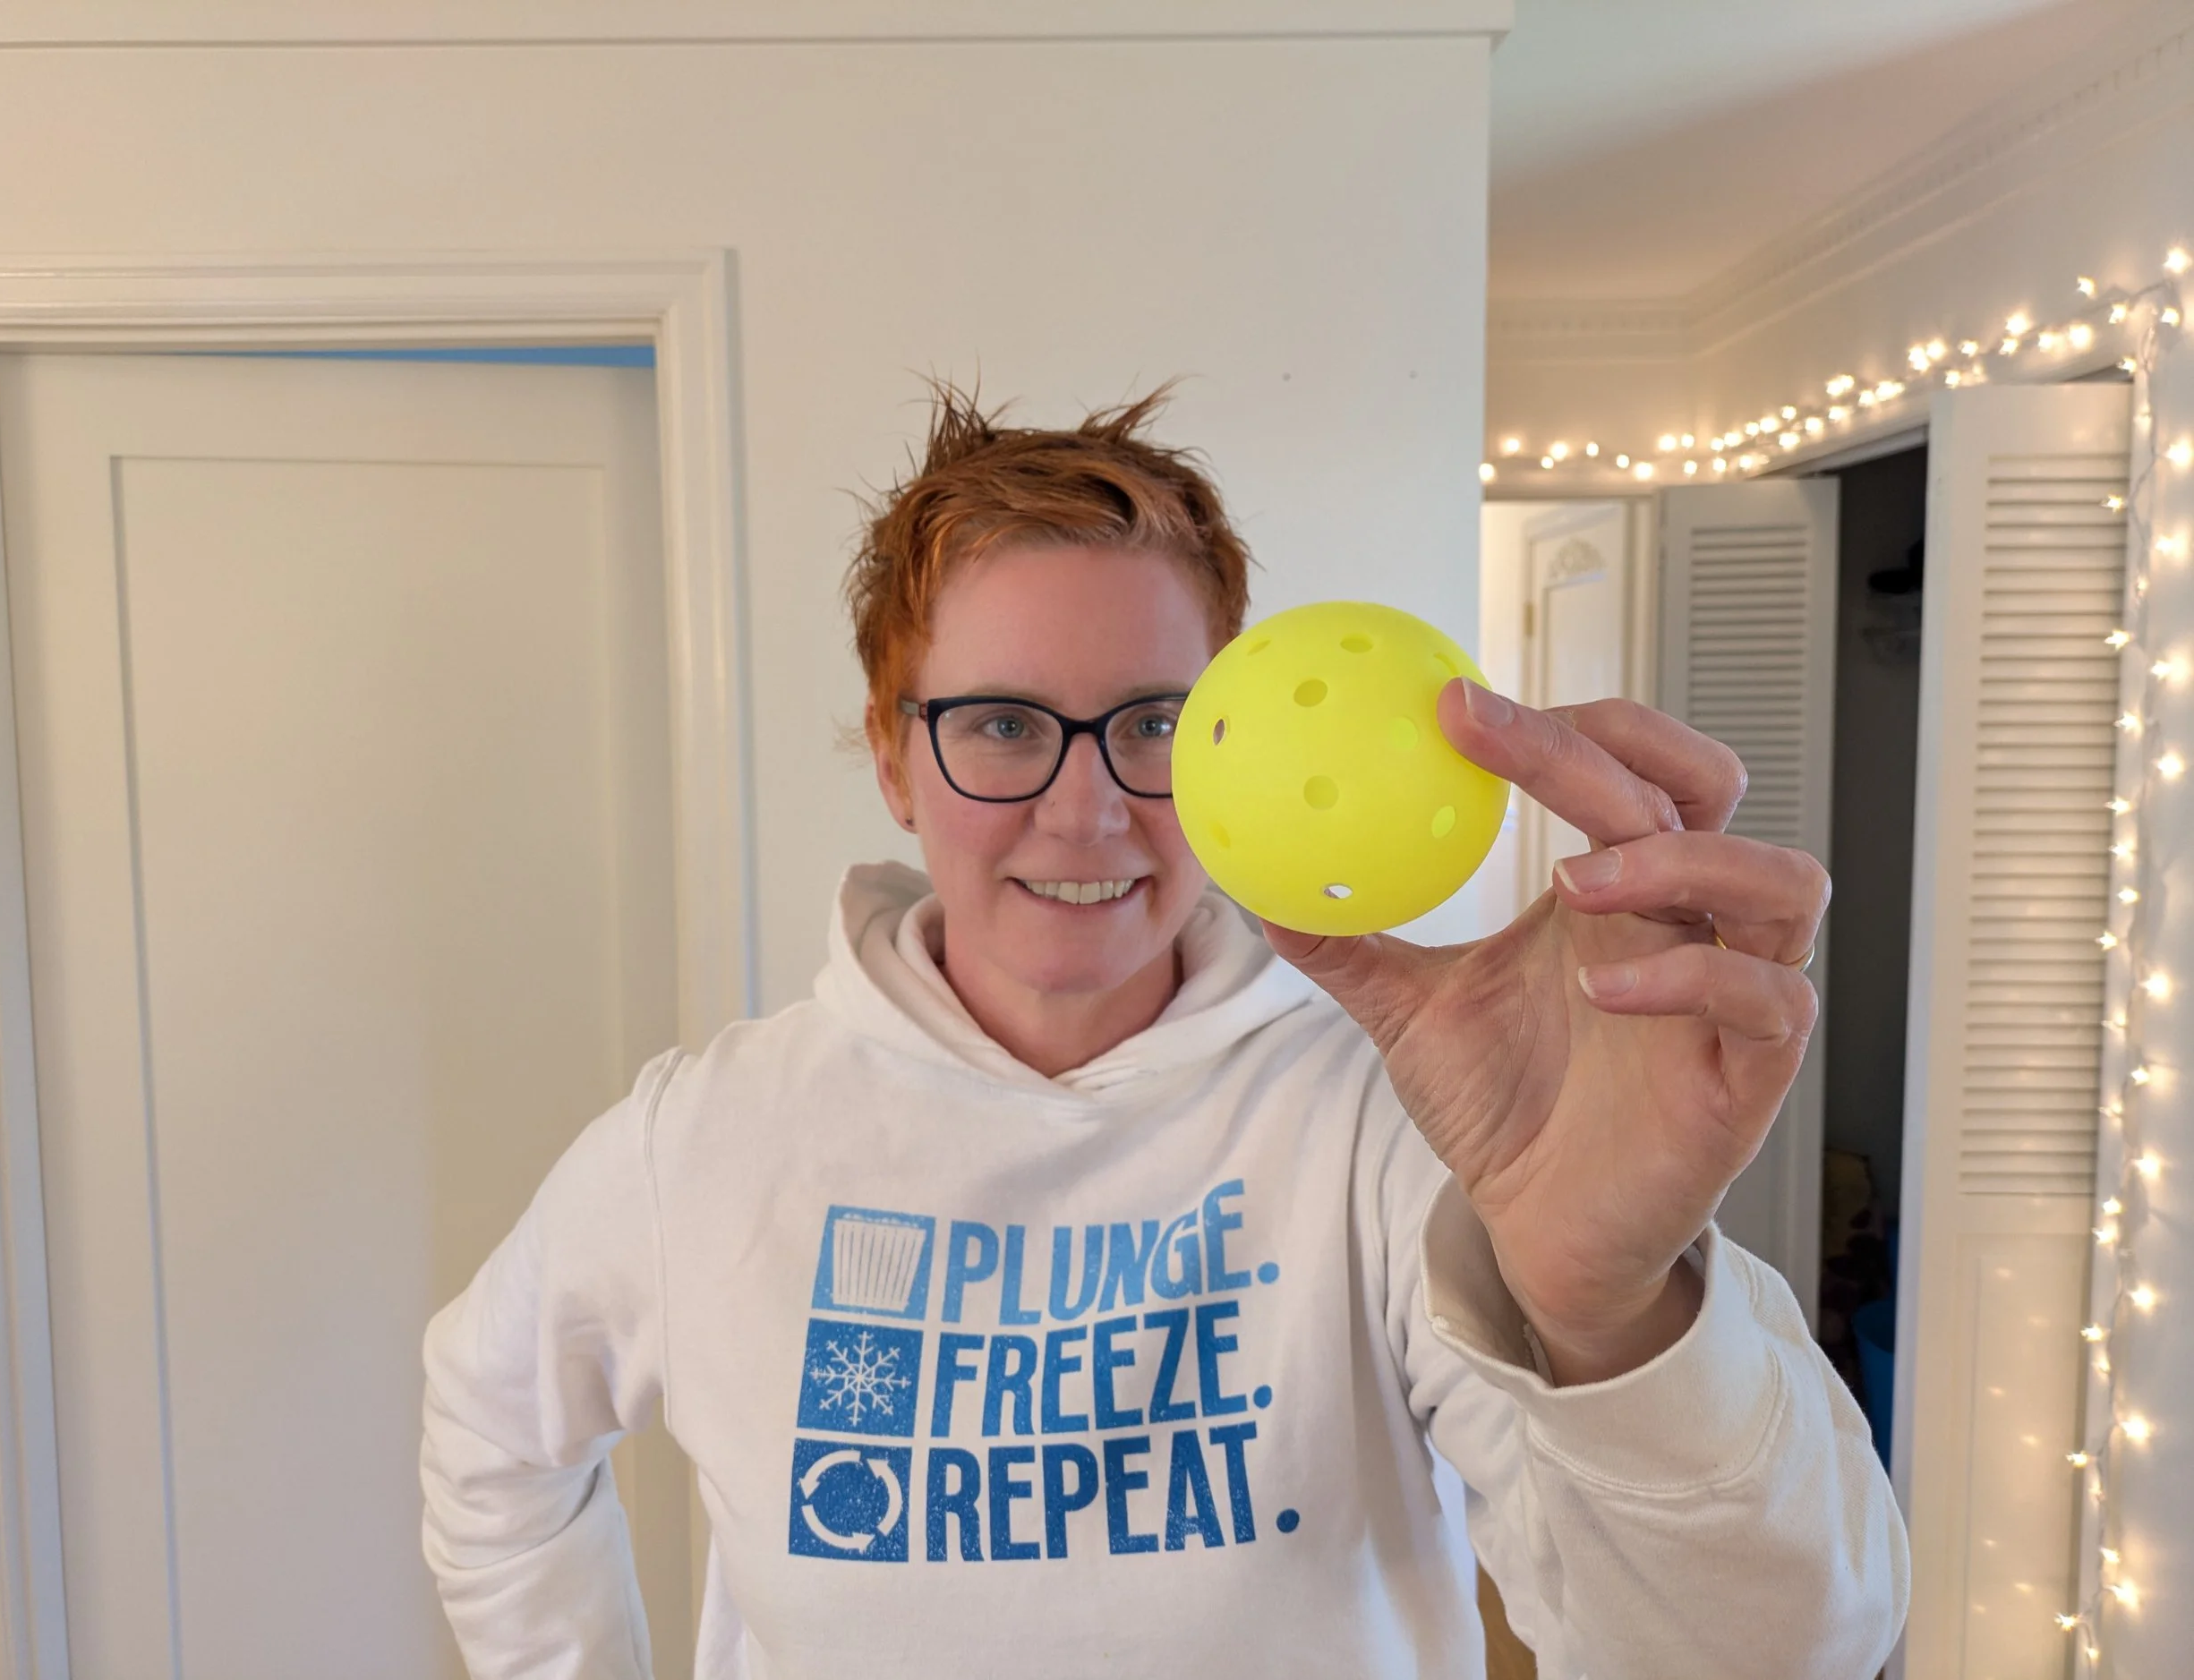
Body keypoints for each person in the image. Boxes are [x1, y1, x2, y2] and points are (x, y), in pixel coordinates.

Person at [421, 388, 1909, 1678]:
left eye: (1154, 725)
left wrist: (1611, 1311)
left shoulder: (1403, 1126)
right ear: (894, 756)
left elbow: (1782, 1654)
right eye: (1001, 724)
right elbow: (491, 1433)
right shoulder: (710, 1141)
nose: (1088, 811)